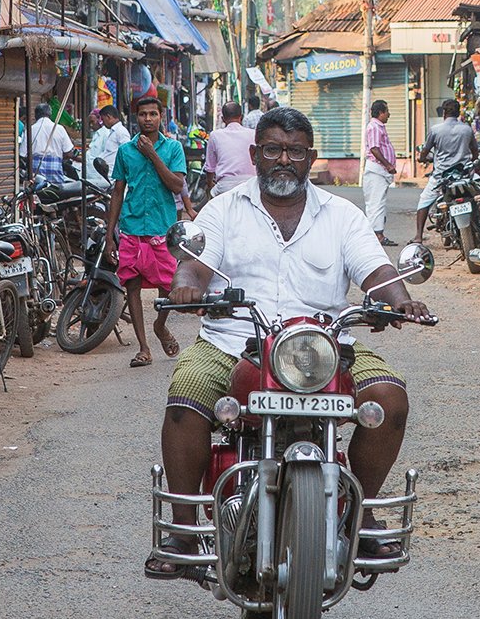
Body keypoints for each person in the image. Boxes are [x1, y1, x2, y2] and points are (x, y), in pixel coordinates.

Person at [146, 107, 432, 578]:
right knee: (186, 396)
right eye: (274, 149)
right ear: (255, 154)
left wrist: (401, 300)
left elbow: (376, 269)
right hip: (233, 341)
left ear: (310, 158)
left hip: (325, 346)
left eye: (295, 151)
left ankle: (360, 512)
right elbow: (195, 264)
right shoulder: (223, 209)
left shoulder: (342, 215)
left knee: (389, 397)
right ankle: (183, 530)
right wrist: (186, 287)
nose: (284, 160)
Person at [103, 96, 187, 368]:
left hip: (162, 228)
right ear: (135, 117)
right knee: (132, 286)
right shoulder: (125, 151)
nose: (148, 119)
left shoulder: (173, 148)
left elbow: (176, 185)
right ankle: (143, 348)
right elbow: (118, 192)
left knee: (167, 286)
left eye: (153, 114)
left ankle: (160, 325)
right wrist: (109, 234)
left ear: (161, 116)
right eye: (143, 114)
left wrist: (152, 154)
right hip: (132, 227)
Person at [414, 99, 478, 242]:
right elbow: (475, 151)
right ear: (458, 113)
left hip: (441, 177)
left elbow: (425, 150)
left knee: (424, 201)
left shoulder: (436, 130)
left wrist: (422, 158)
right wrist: (472, 161)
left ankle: (418, 236)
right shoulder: (467, 129)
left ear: (444, 113)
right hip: (464, 175)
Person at [362, 100, 398, 246]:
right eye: (387, 111)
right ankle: (377, 236)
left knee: (378, 202)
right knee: (376, 203)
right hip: (376, 170)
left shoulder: (379, 127)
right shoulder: (375, 127)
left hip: (380, 171)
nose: (389, 114)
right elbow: (374, 149)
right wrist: (388, 165)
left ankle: (377, 234)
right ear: (380, 113)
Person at [202, 102, 255, 196]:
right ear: (241, 117)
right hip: (251, 185)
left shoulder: (215, 135)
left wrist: (209, 185)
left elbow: (210, 168)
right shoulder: (253, 134)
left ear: (223, 119)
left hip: (225, 186)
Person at [22, 103, 74, 184]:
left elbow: (23, 154)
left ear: (36, 115)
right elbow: (69, 153)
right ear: (50, 114)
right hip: (55, 169)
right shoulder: (60, 129)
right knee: (56, 190)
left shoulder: (30, 129)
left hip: (35, 171)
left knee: (36, 190)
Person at [84, 103, 130, 184]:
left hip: (112, 176)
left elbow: (127, 154)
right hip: (104, 174)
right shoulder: (112, 132)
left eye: (103, 119)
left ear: (109, 117)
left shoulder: (121, 132)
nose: (103, 122)